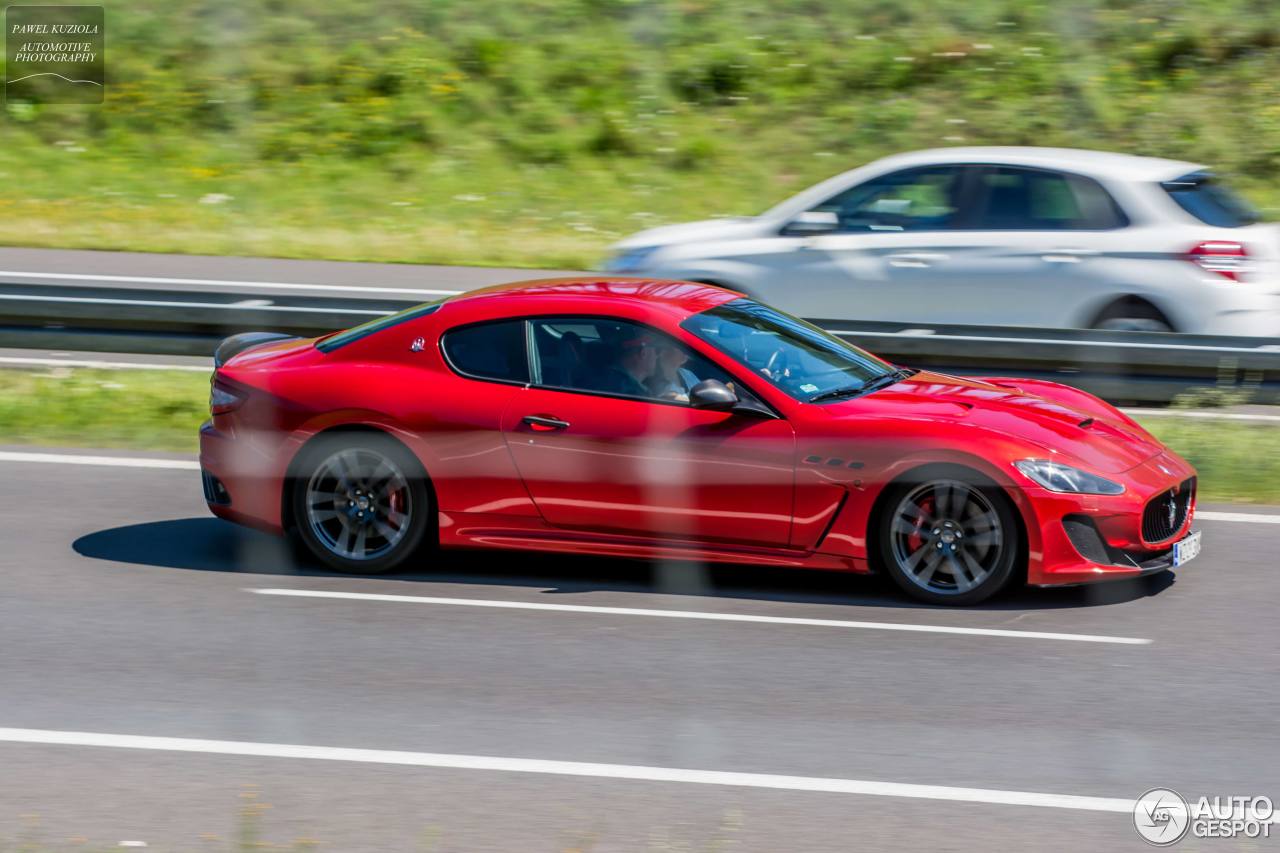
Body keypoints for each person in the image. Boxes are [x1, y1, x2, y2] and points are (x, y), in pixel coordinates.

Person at [599, 331, 657, 397]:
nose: (656, 357)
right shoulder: (629, 392)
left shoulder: (609, 379)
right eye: (656, 351)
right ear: (643, 353)